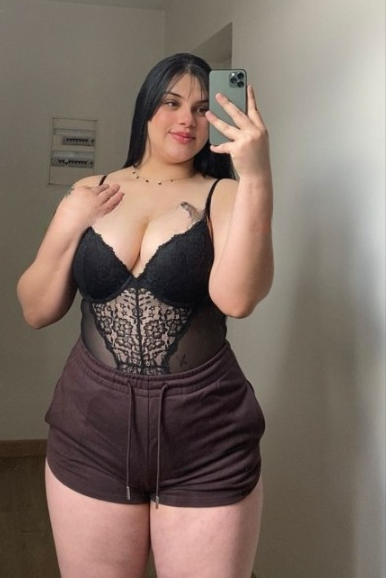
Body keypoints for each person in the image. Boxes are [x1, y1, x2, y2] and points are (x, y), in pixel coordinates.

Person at [17, 53, 273, 578]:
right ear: (146, 107)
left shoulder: (225, 194)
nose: (187, 120)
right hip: (91, 429)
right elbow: (37, 309)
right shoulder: (91, 190)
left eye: (202, 108)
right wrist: (68, 220)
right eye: (171, 102)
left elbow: (237, 299)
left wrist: (257, 176)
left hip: (205, 434)